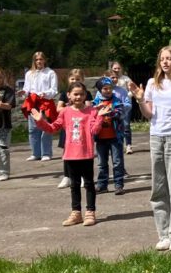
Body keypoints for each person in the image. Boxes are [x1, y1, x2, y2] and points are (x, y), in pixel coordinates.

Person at [130, 46, 171, 251]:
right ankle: (164, 234)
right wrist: (140, 99)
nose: (165, 62)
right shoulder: (152, 83)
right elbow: (149, 114)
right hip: (156, 138)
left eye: (169, 59)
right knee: (158, 189)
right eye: (162, 59)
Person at [32, 83, 110, 227]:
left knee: (89, 184)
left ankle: (90, 212)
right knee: (74, 185)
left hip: (86, 155)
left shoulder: (91, 111)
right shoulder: (65, 112)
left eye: (81, 94)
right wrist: (40, 121)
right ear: (68, 95)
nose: (78, 97)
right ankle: (76, 213)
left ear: (85, 95)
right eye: (75, 94)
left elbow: (94, 131)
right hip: (70, 155)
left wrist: (99, 117)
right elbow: (52, 128)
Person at [56, 70, 91, 188]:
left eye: (78, 79)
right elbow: (58, 108)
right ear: (68, 80)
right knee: (67, 151)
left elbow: (88, 107)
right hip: (68, 126)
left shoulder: (86, 93)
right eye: (72, 79)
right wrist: (70, 109)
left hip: (82, 126)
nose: (75, 81)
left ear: (82, 80)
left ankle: (82, 176)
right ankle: (67, 176)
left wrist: (79, 107)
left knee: (82, 150)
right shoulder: (64, 94)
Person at [21, 51, 58, 162]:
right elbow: (27, 88)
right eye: (36, 60)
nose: (39, 61)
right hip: (32, 102)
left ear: (44, 60)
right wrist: (23, 93)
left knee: (45, 129)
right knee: (33, 129)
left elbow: (54, 89)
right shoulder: (29, 73)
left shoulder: (50, 73)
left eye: (41, 59)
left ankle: (46, 153)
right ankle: (35, 153)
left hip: (45, 103)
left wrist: (45, 94)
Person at [92, 77, 127, 194]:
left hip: (115, 137)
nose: (108, 90)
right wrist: (96, 111)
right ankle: (102, 185)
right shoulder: (96, 102)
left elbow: (121, 113)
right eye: (105, 88)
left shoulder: (116, 100)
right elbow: (91, 116)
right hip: (100, 138)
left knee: (117, 162)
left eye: (110, 88)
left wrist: (111, 112)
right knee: (102, 163)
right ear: (100, 90)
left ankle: (118, 185)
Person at [110, 61, 135, 154]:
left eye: (118, 68)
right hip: (113, 105)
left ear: (121, 69)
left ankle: (128, 145)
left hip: (125, 105)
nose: (117, 70)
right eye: (115, 68)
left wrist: (126, 96)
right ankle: (116, 145)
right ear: (111, 69)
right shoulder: (109, 78)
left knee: (126, 125)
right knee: (114, 125)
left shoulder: (126, 79)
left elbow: (133, 89)